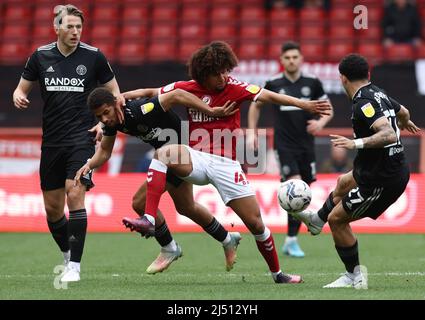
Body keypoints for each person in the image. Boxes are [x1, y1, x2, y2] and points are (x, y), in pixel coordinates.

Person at [123, 41, 331, 283]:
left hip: (226, 164)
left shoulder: (235, 87)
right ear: (203, 74)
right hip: (196, 158)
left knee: (255, 223)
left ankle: (278, 274)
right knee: (164, 153)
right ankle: (151, 222)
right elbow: (152, 92)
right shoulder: (187, 88)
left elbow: (268, 96)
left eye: (225, 71)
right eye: (216, 73)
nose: (223, 77)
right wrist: (122, 97)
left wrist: (302, 103)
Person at [75, 87, 242, 274]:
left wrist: (209, 111)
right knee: (186, 206)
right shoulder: (111, 123)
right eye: (99, 117)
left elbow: (176, 94)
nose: (104, 119)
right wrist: (88, 165)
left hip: (182, 152)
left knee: (140, 202)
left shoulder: (139, 110)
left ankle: (169, 248)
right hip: (168, 158)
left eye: (106, 113)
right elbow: (105, 152)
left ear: (115, 104)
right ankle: (228, 239)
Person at [12, 4, 124, 282]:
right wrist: (18, 95)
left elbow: (115, 93)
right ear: (57, 27)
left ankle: (74, 265)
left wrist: (102, 121)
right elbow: (21, 87)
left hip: (82, 138)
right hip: (51, 142)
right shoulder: (40, 56)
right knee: (52, 209)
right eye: (69, 27)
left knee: (74, 194)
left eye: (79, 27)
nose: (75, 32)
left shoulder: (94, 56)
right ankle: (66, 252)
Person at [290, 54, 420, 288]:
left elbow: (388, 134)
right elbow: (404, 112)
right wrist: (403, 123)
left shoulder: (364, 103)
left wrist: (355, 143)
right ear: (368, 75)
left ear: (342, 78)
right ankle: (316, 221)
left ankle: (354, 276)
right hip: (376, 167)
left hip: (383, 178)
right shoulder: (377, 92)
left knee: (337, 220)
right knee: (342, 182)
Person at [248, 41, 333, 258]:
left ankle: (290, 240)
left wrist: (320, 124)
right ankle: (292, 240)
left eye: (295, 57)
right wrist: (251, 132)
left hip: (307, 145)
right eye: (287, 57)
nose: (291, 61)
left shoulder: (312, 83)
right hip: (284, 145)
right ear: (282, 61)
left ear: (301, 59)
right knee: (295, 188)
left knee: (304, 190)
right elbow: (255, 105)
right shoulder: (274, 83)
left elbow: (328, 109)